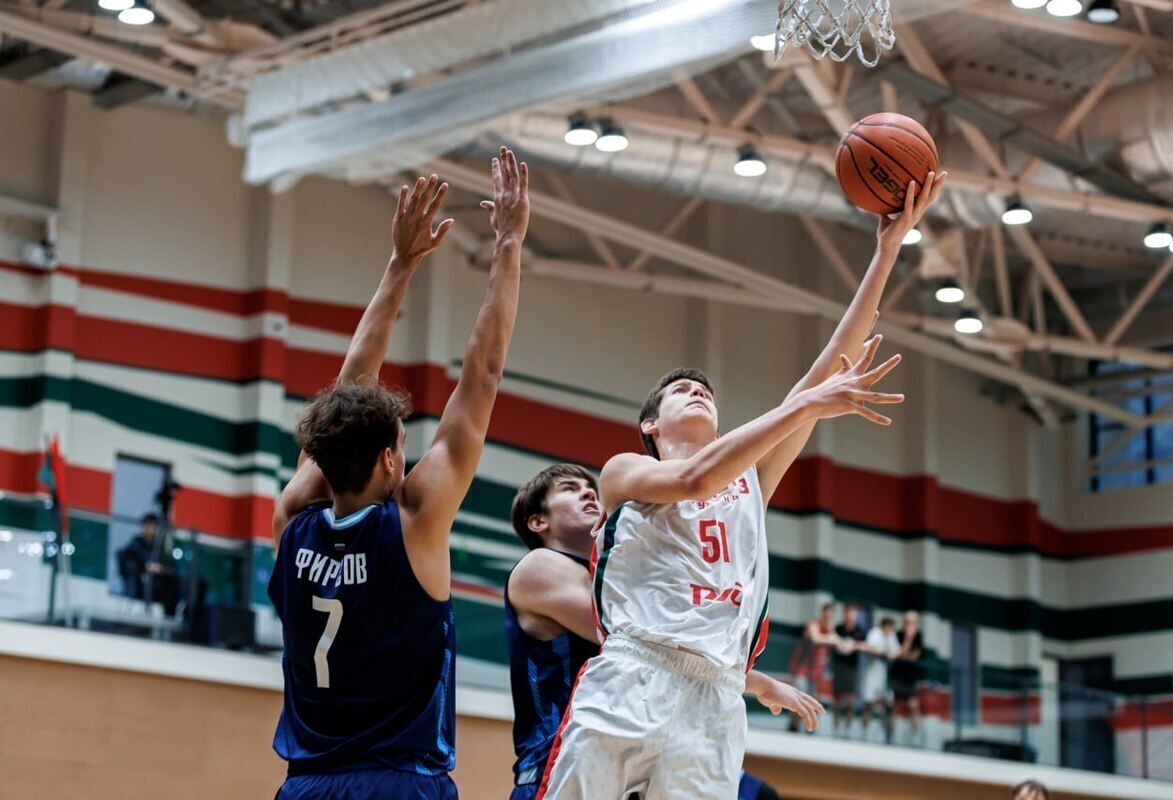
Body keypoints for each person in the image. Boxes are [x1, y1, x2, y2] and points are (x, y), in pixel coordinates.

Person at [537, 172, 946, 799]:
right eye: (679, 390)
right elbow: (698, 475)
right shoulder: (626, 471)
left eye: (705, 390)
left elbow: (835, 357)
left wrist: (887, 250)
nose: (697, 390)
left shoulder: (751, 479)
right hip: (634, 675)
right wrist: (805, 406)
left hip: (719, 698)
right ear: (650, 424)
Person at [268, 147, 529, 800]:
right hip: (399, 783)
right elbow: (483, 375)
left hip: (305, 786)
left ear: (321, 463)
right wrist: (507, 247)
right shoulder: (414, 522)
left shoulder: (292, 521)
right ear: (390, 459)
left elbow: (346, 395)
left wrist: (400, 263)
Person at [505, 464, 821, 799]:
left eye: (590, 489)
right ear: (538, 521)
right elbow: (642, 638)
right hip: (557, 762)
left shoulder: (613, 578)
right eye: (569, 488)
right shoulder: (539, 566)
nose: (587, 492)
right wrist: (759, 683)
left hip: (625, 757)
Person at [786, 602, 840, 732]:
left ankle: (809, 730)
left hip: (816, 675)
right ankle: (793, 728)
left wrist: (834, 637)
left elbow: (840, 643)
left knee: (812, 704)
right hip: (803, 671)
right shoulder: (813, 624)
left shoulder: (830, 630)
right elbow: (816, 638)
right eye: (826, 616)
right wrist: (832, 638)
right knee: (799, 702)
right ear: (822, 614)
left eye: (830, 617)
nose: (828, 619)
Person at [117, 512, 180, 616]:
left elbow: (171, 566)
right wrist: (146, 567)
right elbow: (129, 564)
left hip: (157, 585)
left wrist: (162, 569)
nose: (152, 529)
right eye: (149, 526)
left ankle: (169, 617)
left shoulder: (159, 547)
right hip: (140, 585)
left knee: (172, 583)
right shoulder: (136, 544)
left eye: (154, 526)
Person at [861, 615, 899, 742]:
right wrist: (884, 652)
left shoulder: (892, 636)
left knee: (889, 704)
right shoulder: (875, 633)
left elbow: (897, 651)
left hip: (885, 678)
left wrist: (891, 654)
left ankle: (888, 736)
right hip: (873, 675)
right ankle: (864, 733)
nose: (890, 630)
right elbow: (870, 647)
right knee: (869, 704)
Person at [890, 609, 925, 745]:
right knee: (894, 706)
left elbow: (914, 656)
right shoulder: (898, 635)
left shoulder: (919, 637)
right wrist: (907, 640)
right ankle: (891, 736)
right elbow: (899, 651)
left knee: (913, 705)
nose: (908, 624)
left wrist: (904, 653)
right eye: (906, 622)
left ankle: (916, 738)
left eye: (911, 622)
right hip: (897, 674)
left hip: (910, 676)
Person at [832, 603, 867, 737]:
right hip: (839, 666)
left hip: (852, 668)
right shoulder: (838, 628)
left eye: (853, 613)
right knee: (837, 699)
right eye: (848, 612)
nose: (850, 615)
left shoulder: (860, 630)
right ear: (844, 613)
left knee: (851, 700)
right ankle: (836, 729)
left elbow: (866, 645)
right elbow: (833, 640)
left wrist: (854, 645)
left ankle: (847, 729)